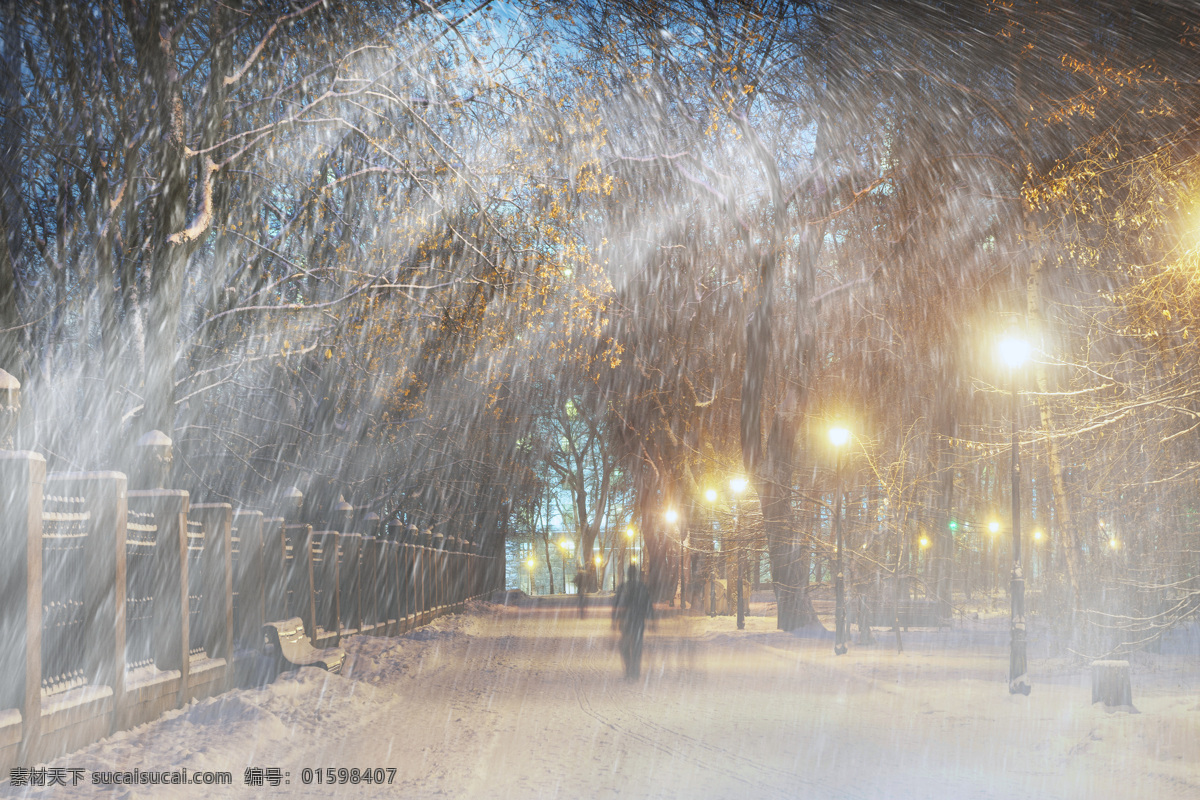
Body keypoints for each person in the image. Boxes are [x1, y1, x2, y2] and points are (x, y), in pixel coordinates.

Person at [612, 565, 654, 678]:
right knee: (637, 646)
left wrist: (615, 619)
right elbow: (648, 603)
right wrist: (651, 619)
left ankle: (629, 667)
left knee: (625, 646)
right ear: (635, 574)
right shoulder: (642, 587)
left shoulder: (623, 587)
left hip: (626, 621)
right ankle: (635, 670)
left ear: (627, 574)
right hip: (638, 621)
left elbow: (616, 604)